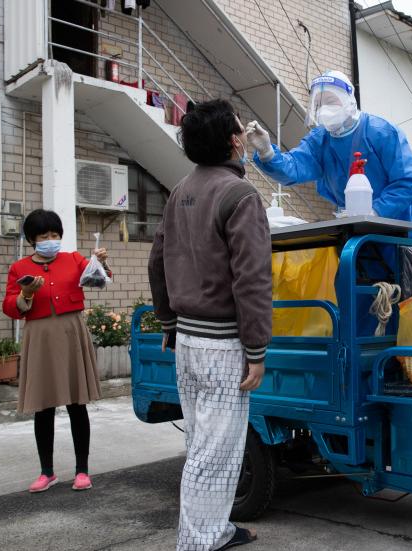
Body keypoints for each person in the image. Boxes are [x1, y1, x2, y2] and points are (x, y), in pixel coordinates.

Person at [148, 99, 272, 551]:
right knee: (215, 453)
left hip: (186, 340)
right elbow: (253, 278)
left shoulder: (180, 191)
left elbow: (157, 261)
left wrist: (167, 321)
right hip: (223, 347)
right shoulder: (240, 196)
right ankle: (198, 543)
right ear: (234, 140)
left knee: (203, 443)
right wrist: (257, 350)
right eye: (241, 131)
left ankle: (214, 529)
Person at [245, 70, 412, 241]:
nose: (324, 109)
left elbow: (407, 182)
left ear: (349, 100)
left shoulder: (381, 132)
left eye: (330, 101)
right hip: (359, 235)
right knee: (360, 279)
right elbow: (294, 167)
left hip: (406, 231)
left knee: (403, 280)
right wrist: (267, 152)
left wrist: (376, 211)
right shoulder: (319, 141)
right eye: (318, 104)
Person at [2, 209, 111, 493]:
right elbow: (10, 306)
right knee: (44, 406)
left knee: (77, 404)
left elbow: (98, 280)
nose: (50, 240)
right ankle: (46, 471)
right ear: (31, 240)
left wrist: (99, 263)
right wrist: (26, 294)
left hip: (71, 331)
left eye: (54, 235)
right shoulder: (19, 268)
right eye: (43, 236)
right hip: (39, 335)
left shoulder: (73, 259)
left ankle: (82, 470)